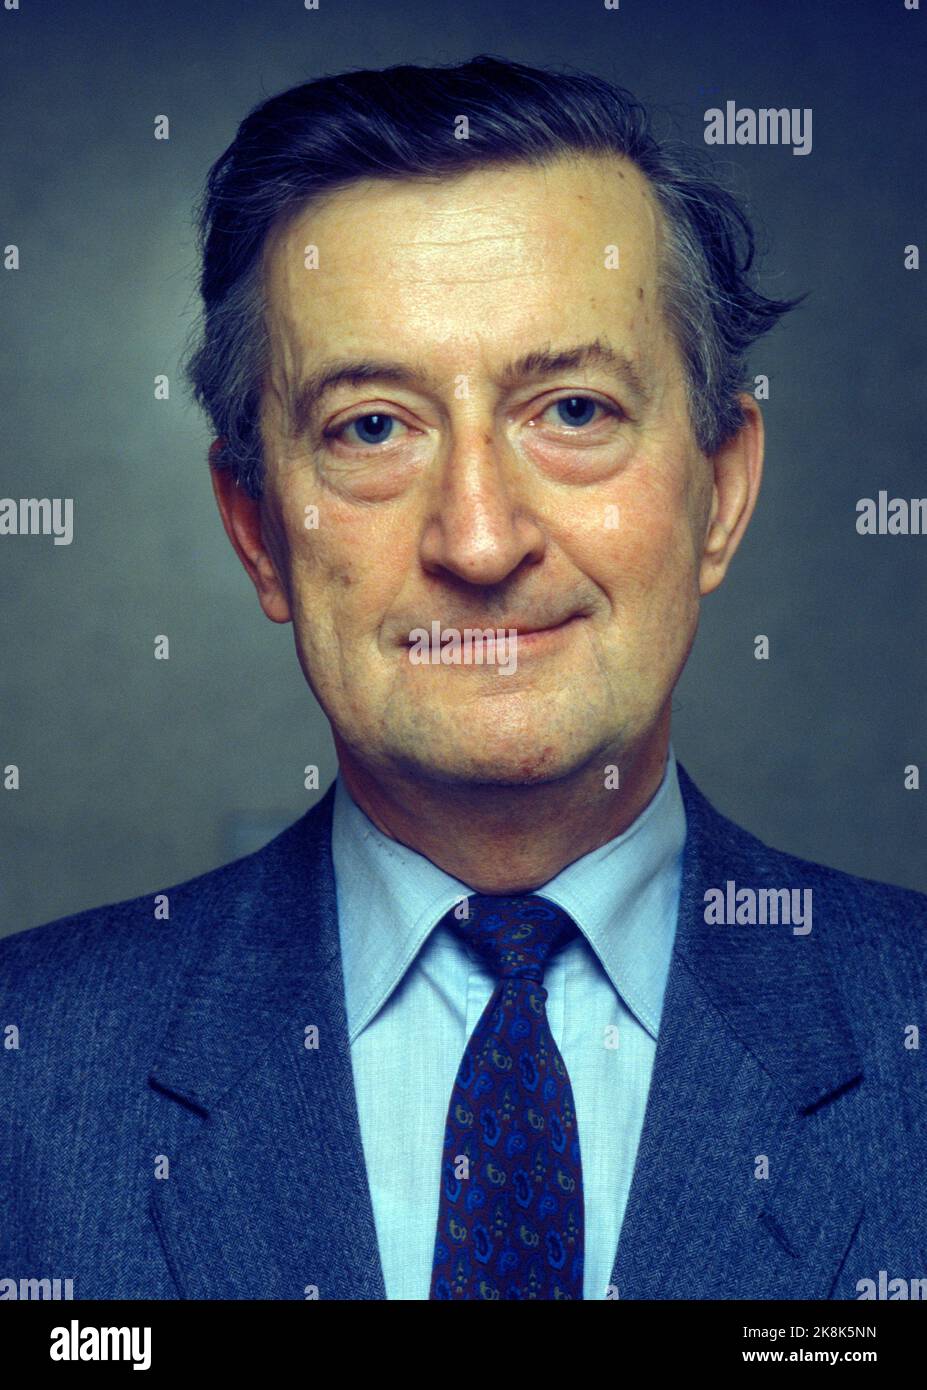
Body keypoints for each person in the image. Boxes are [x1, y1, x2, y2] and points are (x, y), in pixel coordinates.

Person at [2, 55, 924, 1302]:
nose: (480, 541)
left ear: (722, 491)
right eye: (372, 427)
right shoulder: (27, 1075)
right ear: (259, 529)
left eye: (574, 412)